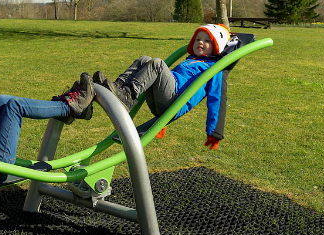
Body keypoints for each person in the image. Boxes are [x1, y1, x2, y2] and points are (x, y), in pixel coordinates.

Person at [96, 24, 237, 150]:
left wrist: (214, 132)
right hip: (163, 97)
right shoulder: (193, 60)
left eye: (207, 40)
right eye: (198, 39)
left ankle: (127, 96)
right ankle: (118, 88)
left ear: (217, 45)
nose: (201, 42)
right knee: (144, 59)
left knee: (157, 64)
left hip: (173, 100)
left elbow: (217, 99)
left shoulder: (215, 68)